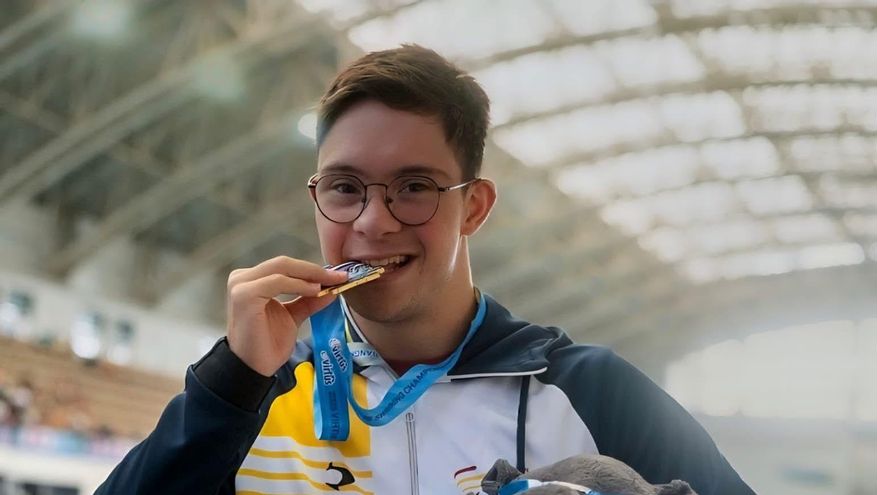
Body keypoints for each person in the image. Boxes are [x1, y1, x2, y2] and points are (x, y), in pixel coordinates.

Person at [96, 44, 755, 495]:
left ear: (474, 206)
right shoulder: (257, 394)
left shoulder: (593, 390)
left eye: (414, 187)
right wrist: (231, 381)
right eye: (345, 186)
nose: (373, 222)